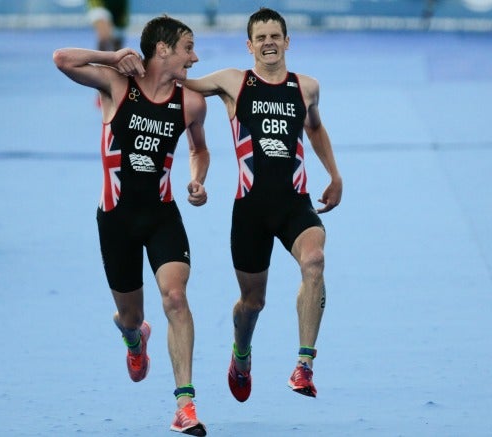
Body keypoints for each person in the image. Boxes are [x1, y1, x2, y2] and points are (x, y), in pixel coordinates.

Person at [53, 15, 209, 436]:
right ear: (162, 49)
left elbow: (200, 150)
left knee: (175, 297)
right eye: (187, 48)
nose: (194, 58)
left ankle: (185, 405)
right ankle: (134, 337)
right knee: (130, 314)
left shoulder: (191, 102)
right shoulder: (117, 86)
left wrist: (198, 179)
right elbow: (62, 59)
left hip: (162, 217)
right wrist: (112, 55)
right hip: (116, 221)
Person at [183, 7, 342, 401]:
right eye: (261, 37)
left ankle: (304, 366)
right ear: (249, 45)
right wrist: (135, 66)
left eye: (276, 36)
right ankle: (241, 353)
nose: (269, 43)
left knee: (315, 261)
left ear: (287, 42)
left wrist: (334, 176)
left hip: (295, 206)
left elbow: (316, 128)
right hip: (250, 211)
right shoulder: (233, 83)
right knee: (252, 303)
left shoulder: (306, 87)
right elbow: (180, 84)